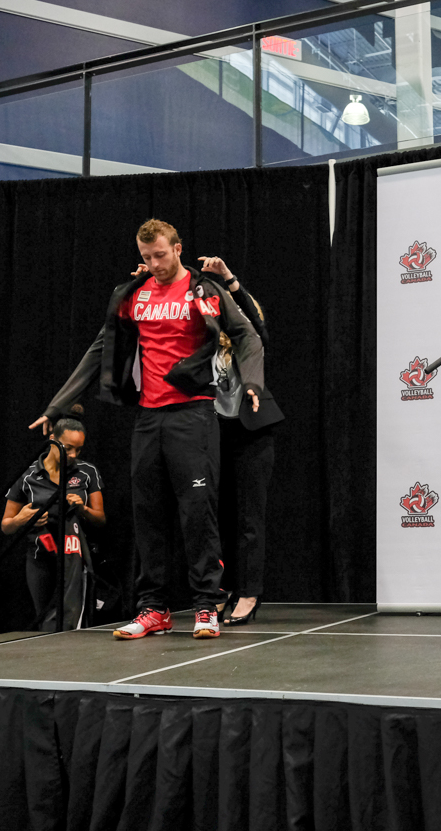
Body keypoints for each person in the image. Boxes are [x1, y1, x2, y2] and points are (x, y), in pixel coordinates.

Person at [29, 219, 283, 640]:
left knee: (197, 513)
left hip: (194, 415)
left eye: (160, 255)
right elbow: (100, 349)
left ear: (178, 248)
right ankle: (154, 609)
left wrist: (252, 383)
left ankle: (205, 604)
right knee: (147, 514)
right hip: (148, 417)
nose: (153, 263)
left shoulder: (203, 290)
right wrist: (57, 405)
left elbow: (249, 335)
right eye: (146, 257)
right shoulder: (134, 294)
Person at [132, 254, 282, 626]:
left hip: (248, 431)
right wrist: (143, 284)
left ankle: (248, 592)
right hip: (205, 430)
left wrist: (230, 279)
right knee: (210, 513)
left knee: (248, 515)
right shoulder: (198, 343)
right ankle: (218, 591)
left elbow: (256, 326)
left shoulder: (241, 335)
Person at [2, 407, 105, 630]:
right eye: (67, 449)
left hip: (76, 558)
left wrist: (83, 510)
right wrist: (23, 519)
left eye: (78, 450)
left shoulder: (87, 472)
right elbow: (6, 526)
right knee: (46, 621)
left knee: (74, 620)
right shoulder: (28, 476)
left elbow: (101, 519)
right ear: (52, 440)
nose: (73, 455)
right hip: (41, 558)